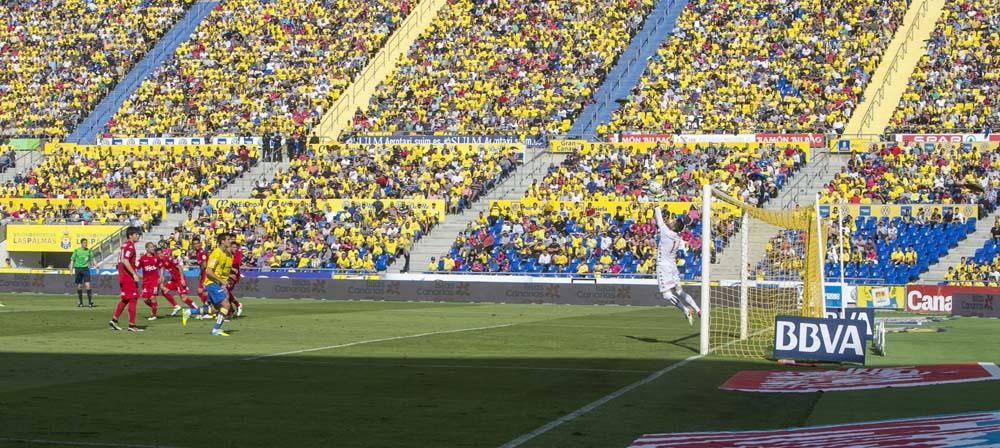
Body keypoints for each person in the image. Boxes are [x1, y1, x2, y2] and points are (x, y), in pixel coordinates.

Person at [655, 206, 700, 324]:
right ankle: (698, 309)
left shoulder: (666, 232)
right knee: (679, 291)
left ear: (674, 227)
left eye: (673, 221)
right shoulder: (678, 238)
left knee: (666, 294)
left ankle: (686, 310)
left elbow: (659, 220)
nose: (671, 221)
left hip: (663, 266)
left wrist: (656, 207)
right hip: (673, 266)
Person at [183, 233, 234, 336]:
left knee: (214, 309)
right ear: (222, 241)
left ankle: (189, 312)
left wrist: (227, 279)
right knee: (226, 305)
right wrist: (222, 280)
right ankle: (215, 330)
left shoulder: (226, 254)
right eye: (228, 239)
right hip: (212, 283)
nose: (230, 241)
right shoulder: (216, 253)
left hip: (218, 284)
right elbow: (209, 271)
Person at [110, 227, 143, 332]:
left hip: (123, 275)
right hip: (127, 276)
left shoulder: (125, 245)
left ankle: (114, 320)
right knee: (133, 298)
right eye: (136, 234)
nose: (138, 236)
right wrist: (134, 274)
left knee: (125, 299)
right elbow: (125, 261)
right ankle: (132, 325)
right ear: (130, 235)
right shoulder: (130, 246)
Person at [161, 247, 198, 314]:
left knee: (184, 298)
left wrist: (182, 279)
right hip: (174, 280)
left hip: (179, 280)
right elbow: (162, 269)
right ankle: (176, 306)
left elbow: (180, 267)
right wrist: (162, 278)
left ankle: (196, 310)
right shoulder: (161, 261)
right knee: (164, 291)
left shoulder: (169, 259)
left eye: (162, 253)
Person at [138, 243, 164, 320]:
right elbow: (137, 268)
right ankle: (154, 307)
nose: (153, 248)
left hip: (154, 281)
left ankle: (154, 315)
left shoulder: (156, 258)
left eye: (153, 247)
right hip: (146, 282)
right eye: (151, 247)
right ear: (147, 248)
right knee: (145, 299)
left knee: (153, 297)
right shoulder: (142, 258)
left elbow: (161, 267)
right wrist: (138, 276)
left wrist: (161, 276)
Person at [70, 238, 96, 307]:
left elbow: (93, 258)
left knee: (88, 285)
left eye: (86, 243)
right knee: (79, 286)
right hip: (78, 269)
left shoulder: (89, 251)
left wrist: (96, 265)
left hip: (85, 269)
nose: (86, 244)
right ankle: (80, 302)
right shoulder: (77, 251)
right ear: (81, 243)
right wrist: (71, 269)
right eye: (84, 243)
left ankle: (90, 302)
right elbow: (72, 260)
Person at [227, 240, 244, 318]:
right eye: (233, 247)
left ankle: (233, 308)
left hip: (234, 276)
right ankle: (233, 309)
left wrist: (228, 266)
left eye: (235, 247)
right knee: (226, 292)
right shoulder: (228, 254)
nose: (234, 249)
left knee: (226, 292)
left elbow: (236, 264)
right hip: (227, 275)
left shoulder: (237, 254)